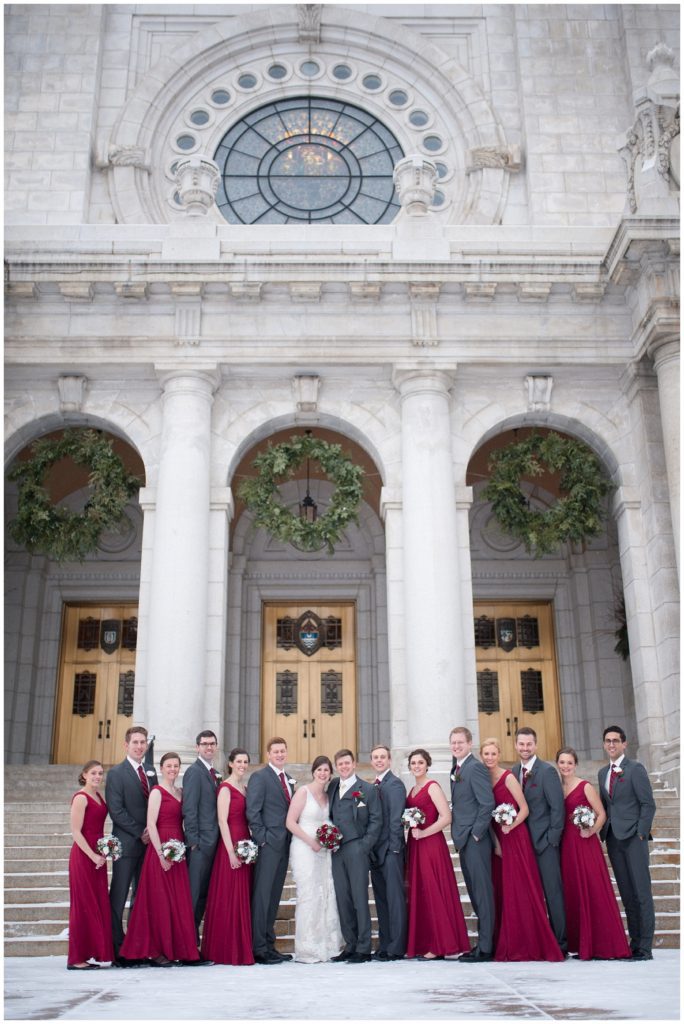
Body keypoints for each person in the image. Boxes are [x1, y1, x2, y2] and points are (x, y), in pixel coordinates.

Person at [481, 739, 563, 962]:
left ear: (499, 754)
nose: (489, 758)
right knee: (505, 892)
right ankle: (508, 939)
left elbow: (524, 808)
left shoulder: (509, 777)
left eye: (493, 753)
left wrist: (511, 826)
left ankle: (535, 942)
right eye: (485, 754)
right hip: (499, 841)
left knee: (522, 890)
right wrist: (496, 843)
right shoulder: (484, 779)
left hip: (516, 837)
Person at [119, 752, 203, 966]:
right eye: (168, 766)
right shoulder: (157, 792)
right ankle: (156, 950)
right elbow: (151, 824)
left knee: (176, 900)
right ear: (162, 768)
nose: (172, 769)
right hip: (161, 848)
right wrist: (160, 855)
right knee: (159, 901)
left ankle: (174, 948)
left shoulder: (180, 792)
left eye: (176, 765)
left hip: (178, 846)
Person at [556, 746, 631, 960]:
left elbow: (601, 814)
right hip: (566, 846)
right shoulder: (557, 788)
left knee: (593, 888)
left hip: (584, 844)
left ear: (575, 765)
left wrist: (591, 830)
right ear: (557, 765)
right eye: (562, 762)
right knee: (573, 890)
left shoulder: (585, 786)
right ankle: (579, 942)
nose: (566, 766)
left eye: (570, 763)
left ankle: (604, 943)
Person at [405, 748, 470, 960]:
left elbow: (446, 817)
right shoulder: (412, 790)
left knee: (433, 890)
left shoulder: (432, 787)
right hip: (415, 845)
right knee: (422, 891)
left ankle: (440, 943)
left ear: (427, 765)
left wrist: (424, 832)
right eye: (413, 763)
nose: (416, 766)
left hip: (431, 844)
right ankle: (425, 941)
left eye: (420, 763)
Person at [598, 725, 656, 960]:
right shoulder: (603, 773)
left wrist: (641, 833)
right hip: (613, 839)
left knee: (641, 892)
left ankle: (645, 947)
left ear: (624, 744)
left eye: (615, 741)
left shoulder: (635, 769)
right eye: (607, 741)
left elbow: (648, 804)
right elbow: (606, 805)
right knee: (627, 893)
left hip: (634, 838)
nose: (611, 744)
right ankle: (634, 943)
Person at [105, 725, 157, 965]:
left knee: (141, 897)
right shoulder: (116, 773)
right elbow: (116, 810)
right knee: (119, 894)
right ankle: (116, 948)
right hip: (126, 845)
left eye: (142, 742)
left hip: (148, 846)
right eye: (135, 742)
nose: (139, 746)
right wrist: (140, 832)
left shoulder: (150, 771)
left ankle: (135, 945)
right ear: (126, 745)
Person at [513, 726, 567, 955]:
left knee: (552, 893)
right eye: (521, 744)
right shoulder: (514, 771)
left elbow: (557, 808)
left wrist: (551, 839)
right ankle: (537, 940)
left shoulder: (547, 771)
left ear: (535, 745)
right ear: (516, 745)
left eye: (529, 744)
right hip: (522, 845)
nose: (525, 748)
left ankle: (560, 943)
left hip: (544, 843)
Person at [286, 755, 344, 963]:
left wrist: (330, 840)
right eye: (319, 770)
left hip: (324, 850)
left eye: (326, 770)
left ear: (330, 774)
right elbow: (291, 822)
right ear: (313, 772)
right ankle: (307, 947)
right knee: (309, 894)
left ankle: (325, 943)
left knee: (325, 893)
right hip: (304, 847)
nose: (322, 773)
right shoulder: (303, 792)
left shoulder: (329, 796)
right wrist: (311, 842)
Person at [328, 748, 382, 963]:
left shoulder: (367, 789)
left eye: (347, 763)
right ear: (336, 766)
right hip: (336, 850)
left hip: (356, 848)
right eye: (340, 764)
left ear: (354, 764)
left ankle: (363, 947)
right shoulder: (332, 787)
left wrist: (364, 846)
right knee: (343, 898)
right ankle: (350, 945)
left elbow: (376, 820)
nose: (344, 767)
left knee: (360, 897)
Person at [201, 748, 255, 965]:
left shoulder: (245, 788)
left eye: (245, 761)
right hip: (230, 844)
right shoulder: (225, 788)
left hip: (245, 843)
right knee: (228, 895)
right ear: (230, 763)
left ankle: (241, 947)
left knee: (242, 895)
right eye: (239, 761)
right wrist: (231, 852)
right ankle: (225, 949)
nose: (242, 765)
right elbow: (222, 821)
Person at [246, 736, 294, 964]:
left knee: (274, 897)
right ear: (268, 754)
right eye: (276, 751)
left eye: (283, 751)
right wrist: (262, 839)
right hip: (268, 846)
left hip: (284, 846)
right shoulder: (260, 777)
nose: (280, 755)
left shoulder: (290, 779)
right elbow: (253, 812)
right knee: (262, 897)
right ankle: (259, 947)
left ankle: (269, 943)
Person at [449, 726, 495, 962]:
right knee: (475, 893)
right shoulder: (457, 768)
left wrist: (476, 834)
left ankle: (487, 947)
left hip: (475, 840)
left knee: (483, 893)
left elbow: (487, 803)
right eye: (453, 743)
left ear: (469, 744)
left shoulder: (475, 767)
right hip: (464, 839)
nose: (456, 746)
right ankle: (482, 942)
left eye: (460, 742)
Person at [67, 760, 114, 970]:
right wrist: (93, 856)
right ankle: (76, 959)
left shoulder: (98, 796)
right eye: (93, 773)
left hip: (98, 856)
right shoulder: (81, 797)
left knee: (95, 903)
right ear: (84, 774)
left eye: (100, 773)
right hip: (84, 857)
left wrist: (104, 851)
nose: (97, 776)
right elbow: (76, 832)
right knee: (83, 905)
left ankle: (91, 952)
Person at [369, 744, 407, 961]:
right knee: (381, 901)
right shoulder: (373, 785)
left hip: (391, 851)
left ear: (389, 760)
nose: (379, 760)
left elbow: (395, 819)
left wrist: (394, 848)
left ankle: (396, 946)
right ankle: (385, 943)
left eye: (383, 757)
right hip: (376, 853)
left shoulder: (395, 785)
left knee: (394, 900)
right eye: (375, 757)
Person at [182, 730, 220, 941]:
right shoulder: (194, 772)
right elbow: (189, 808)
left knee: (203, 895)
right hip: (200, 845)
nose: (208, 747)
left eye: (212, 744)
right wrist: (194, 842)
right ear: (197, 747)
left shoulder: (213, 773)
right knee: (194, 895)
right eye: (204, 744)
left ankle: (193, 941)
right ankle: (187, 943)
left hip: (212, 843)